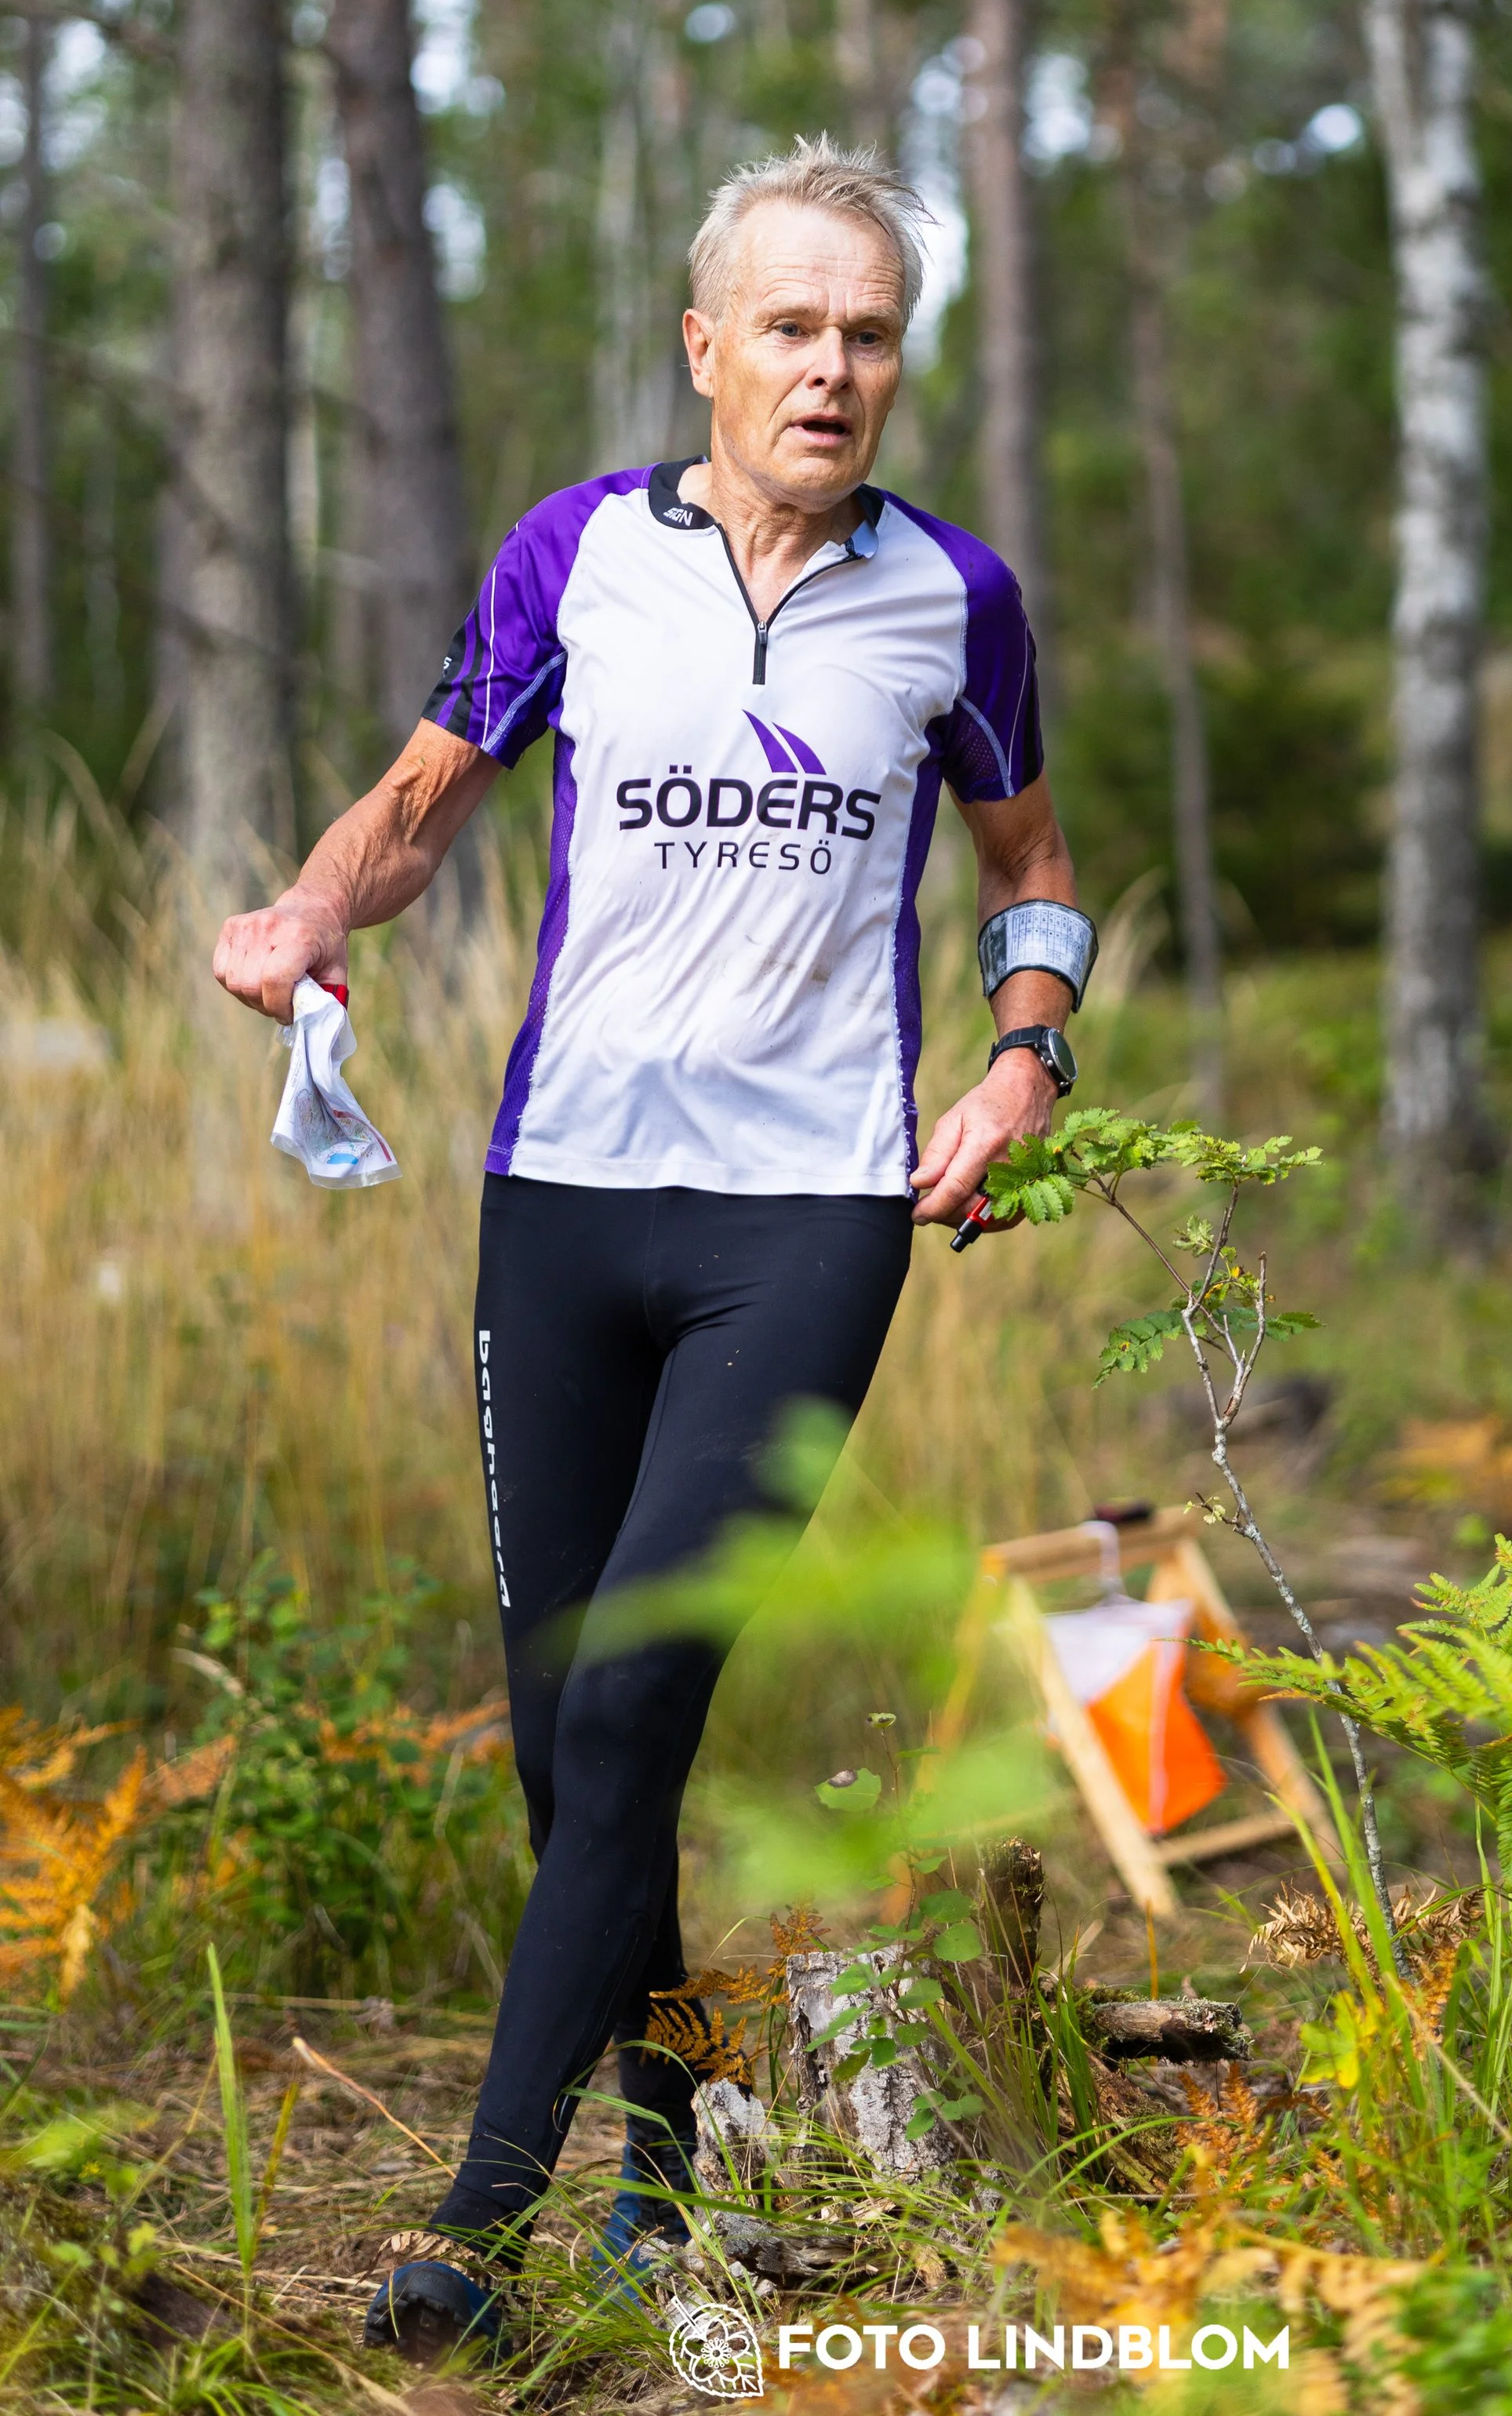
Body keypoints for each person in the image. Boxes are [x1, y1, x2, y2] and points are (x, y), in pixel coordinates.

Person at [210, 136, 1096, 2361]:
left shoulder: (950, 598)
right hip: (564, 1203)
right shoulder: (576, 557)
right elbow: (420, 804)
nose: (831, 368)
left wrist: (1020, 1064)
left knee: (634, 1706)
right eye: (790, 326)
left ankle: (475, 2227)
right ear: (706, 348)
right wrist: (314, 909)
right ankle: (670, 2146)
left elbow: (1034, 866)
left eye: (868, 332)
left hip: (803, 1224)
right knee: (562, 1739)